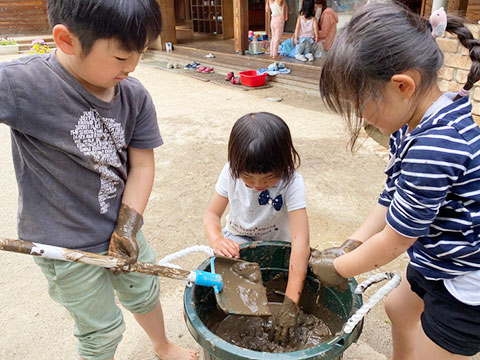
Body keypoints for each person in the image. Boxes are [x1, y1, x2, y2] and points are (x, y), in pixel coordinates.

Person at [0, 1, 197, 359]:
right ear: (66, 40)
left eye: (139, 53)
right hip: (64, 247)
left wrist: (129, 224)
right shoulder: (24, 84)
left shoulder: (134, 96)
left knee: (144, 291)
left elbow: (142, 167)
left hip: (122, 227)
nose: (133, 67)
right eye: (122, 58)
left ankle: (162, 345)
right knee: (102, 330)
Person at [312, 3, 480, 359]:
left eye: (359, 103)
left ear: (402, 85)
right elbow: (391, 198)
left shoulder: (434, 148)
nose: (359, 114)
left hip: (465, 280)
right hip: (436, 254)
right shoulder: (413, 125)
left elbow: (395, 240)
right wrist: (354, 242)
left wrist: (338, 268)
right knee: (398, 309)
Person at [204, 112, 310, 344]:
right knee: (236, 300)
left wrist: (290, 305)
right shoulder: (230, 173)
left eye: (269, 178)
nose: (258, 185)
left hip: (279, 243)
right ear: (235, 166)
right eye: (248, 178)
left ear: (285, 164)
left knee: (294, 274)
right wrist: (216, 239)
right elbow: (212, 215)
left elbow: (301, 243)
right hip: (238, 240)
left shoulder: (292, 182)